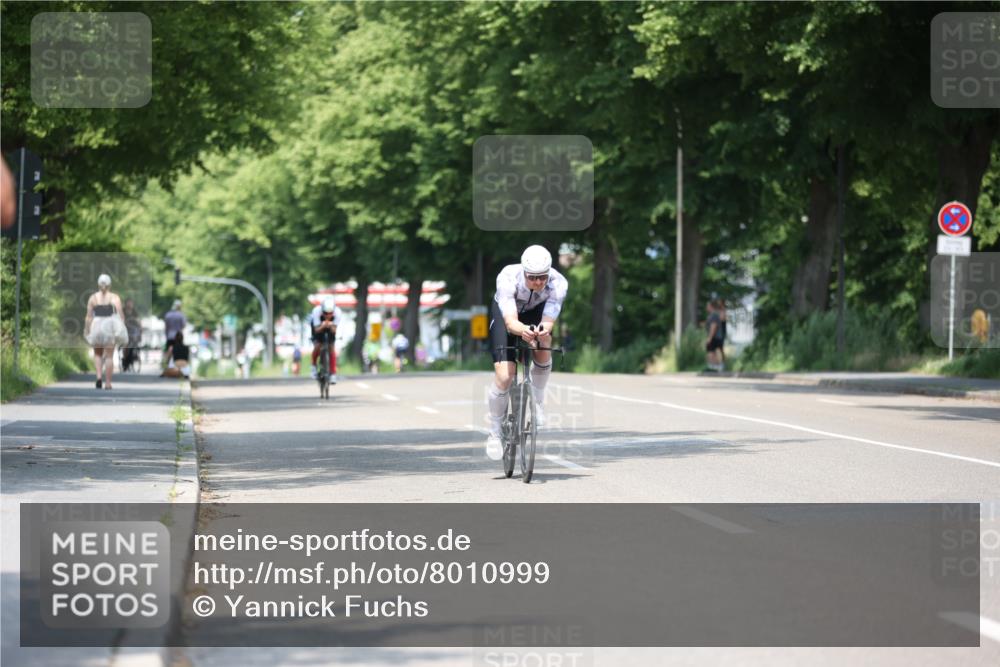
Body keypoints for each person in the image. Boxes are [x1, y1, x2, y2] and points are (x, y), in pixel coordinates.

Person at [484, 245, 568, 461]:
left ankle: (537, 401)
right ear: (524, 272)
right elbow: (511, 322)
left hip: (535, 313)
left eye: (542, 277)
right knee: (505, 375)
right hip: (507, 315)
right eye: (533, 278)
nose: (538, 282)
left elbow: (548, 320)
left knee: (544, 341)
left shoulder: (558, 283)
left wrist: (541, 331)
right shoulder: (508, 277)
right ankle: (494, 431)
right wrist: (523, 331)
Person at [84, 274, 129, 390]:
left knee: (97, 354)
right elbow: (121, 315)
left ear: (98, 284)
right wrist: (121, 327)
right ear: (110, 285)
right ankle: (108, 383)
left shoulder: (93, 298)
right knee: (109, 356)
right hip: (109, 326)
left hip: (96, 325)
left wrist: (87, 330)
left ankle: (99, 377)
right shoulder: (114, 297)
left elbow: (88, 317)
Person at [309, 296, 341, 382]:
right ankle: (313, 367)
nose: (328, 315)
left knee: (331, 347)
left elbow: (334, 330)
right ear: (322, 311)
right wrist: (323, 326)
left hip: (330, 327)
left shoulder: (338, 312)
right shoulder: (316, 312)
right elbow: (316, 329)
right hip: (318, 326)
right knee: (318, 345)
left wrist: (330, 326)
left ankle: (333, 373)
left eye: (330, 313)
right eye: (325, 313)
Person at [121, 298, 142, 372]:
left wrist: (140, 327)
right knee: (125, 345)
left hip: (133, 330)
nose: (130, 304)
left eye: (131, 303)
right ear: (126, 303)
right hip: (125, 329)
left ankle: (134, 355)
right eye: (129, 303)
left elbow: (138, 320)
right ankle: (124, 358)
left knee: (135, 341)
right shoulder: (122, 311)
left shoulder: (134, 312)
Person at [705, 300, 725, 372]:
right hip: (716, 336)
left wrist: (710, 338)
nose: (706, 308)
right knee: (713, 352)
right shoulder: (714, 315)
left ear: (711, 306)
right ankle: (715, 366)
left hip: (714, 337)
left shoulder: (713, 315)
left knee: (711, 352)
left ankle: (715, 366)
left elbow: (714, 326)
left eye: (707, 306)